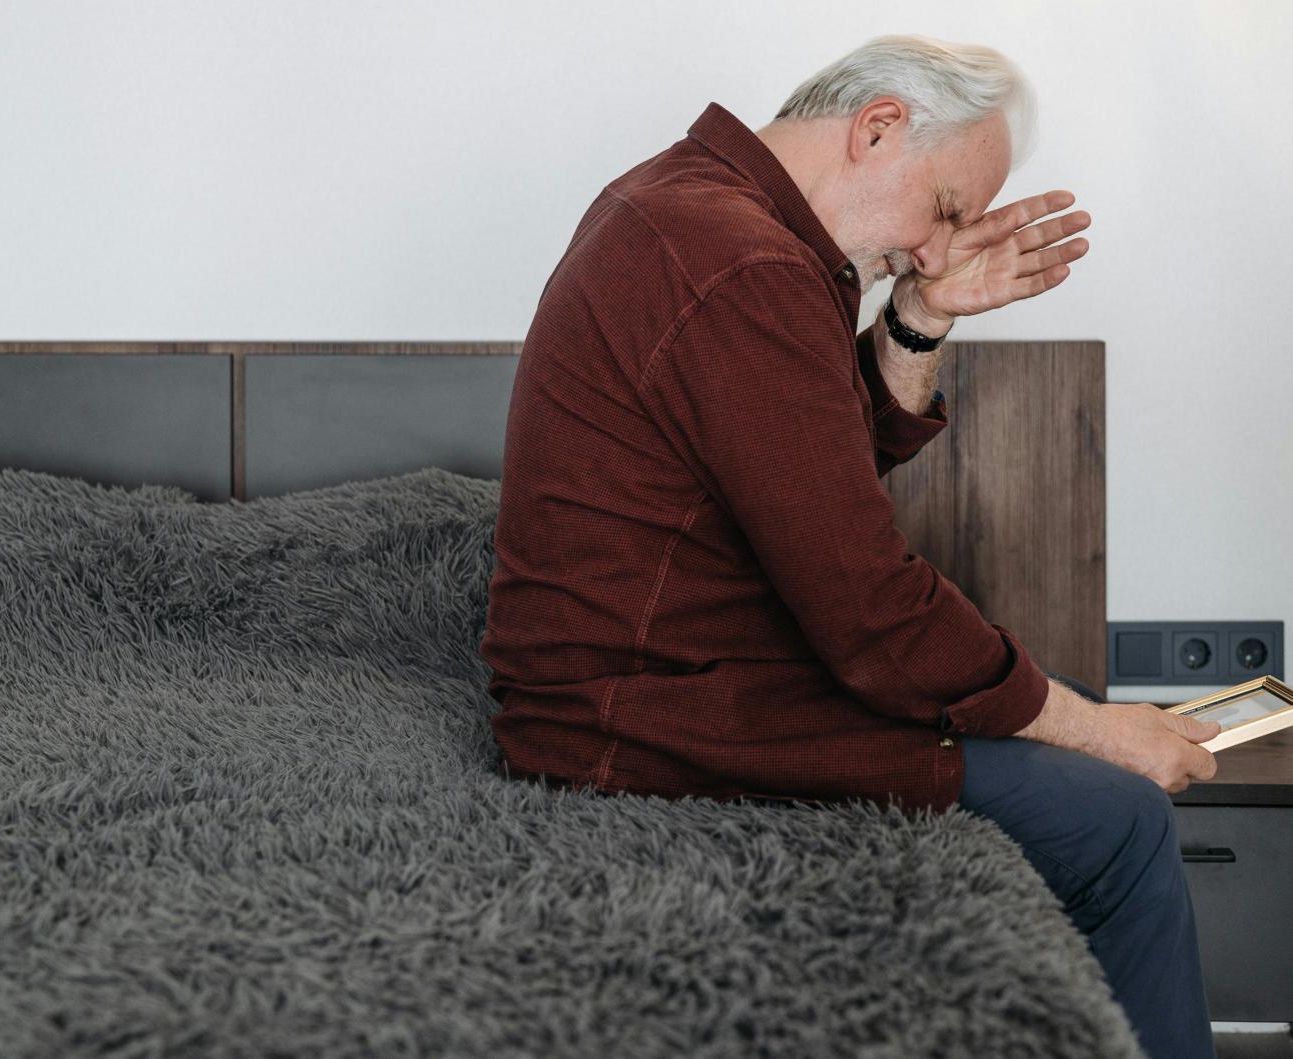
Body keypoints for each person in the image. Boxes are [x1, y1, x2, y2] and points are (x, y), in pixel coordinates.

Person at [479, 34, 1220, 1059]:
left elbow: (806, 487)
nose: (932, 249)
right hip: (648, 721)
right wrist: (1098, 731)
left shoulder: (689, 203)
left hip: (645, 683)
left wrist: (914, 323)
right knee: (1121, 818)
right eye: (947, 211)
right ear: (876, 128)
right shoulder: (741, 266)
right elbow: (867, 611)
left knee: (1037, 705)